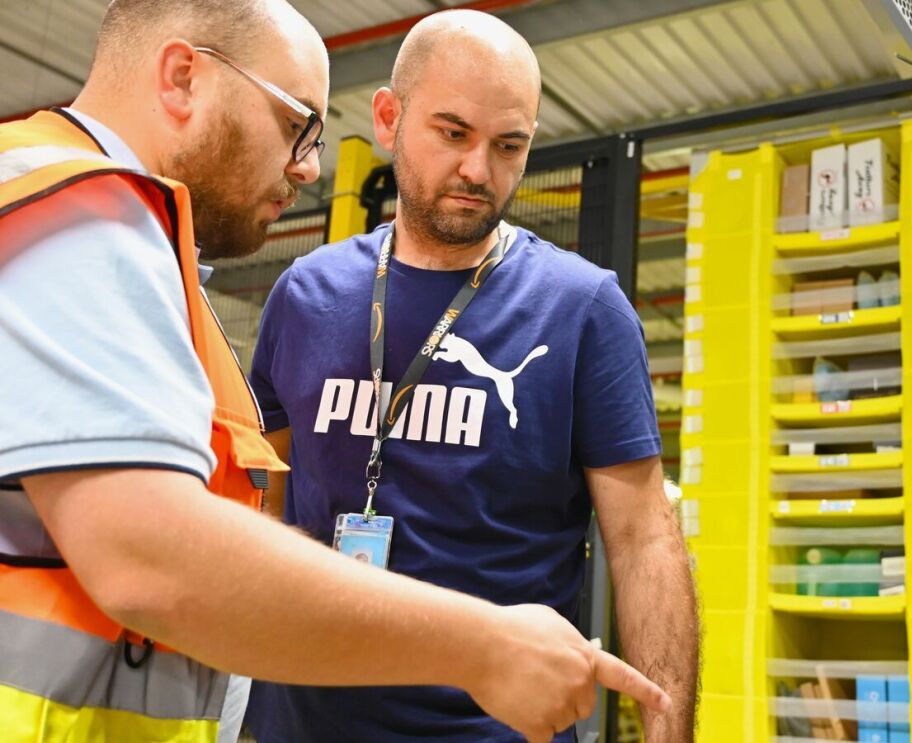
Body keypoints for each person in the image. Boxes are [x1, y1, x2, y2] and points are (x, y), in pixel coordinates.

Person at [0, 2, 668, 742]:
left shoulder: (123, 236)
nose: (309, 166)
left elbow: (644, 539)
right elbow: (148, 551)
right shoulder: (79, 213)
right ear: (183, 77)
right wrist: (482, 642)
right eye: (295, 126)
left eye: (509, 144)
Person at [243, 9, 700, 743]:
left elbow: (645, 538)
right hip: (303, 721)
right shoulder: (305, 295)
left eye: (509, 145)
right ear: (390, 118)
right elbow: (265, 501)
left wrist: (669, 730)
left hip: (496, 728)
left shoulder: (582, 309)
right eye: (453, 134)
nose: (478, 172)